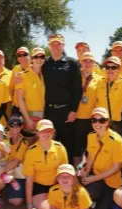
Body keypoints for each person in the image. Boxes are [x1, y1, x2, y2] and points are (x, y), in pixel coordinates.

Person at [79, 107, 122, 209]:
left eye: (102, 120)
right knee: (80, 196)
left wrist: (93, 178)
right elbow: (90, 157)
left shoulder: (117, 140)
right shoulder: (91, 136)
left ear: (107, 122)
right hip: (96, 177)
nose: (97, 123)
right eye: (94, 120)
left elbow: (116, 168)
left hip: (112, 182)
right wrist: (85, 171)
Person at [43, 34, 82, 164]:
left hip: (66, 111)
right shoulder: (44, 63)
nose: (55, 47)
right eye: (52, 44)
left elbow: (78, 89)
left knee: (67, 145)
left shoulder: (72, 63)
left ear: (63, 45)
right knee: (50, 144)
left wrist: (74, 110)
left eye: (58, 44)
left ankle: (68, 173)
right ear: (49, 46)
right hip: (49, 112)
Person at [23, 119, 69, 209]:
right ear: (37, 133)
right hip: (40, 187)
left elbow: (65, 174)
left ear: (53, 132)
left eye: (49, 131)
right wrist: (28, 204)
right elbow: (29, 180)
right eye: (43, 131)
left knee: (67, 208)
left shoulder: (60, 148)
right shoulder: (31, 152)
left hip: (57, 185)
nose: (47, 133)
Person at [0, 116, 29, 209]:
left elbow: (15, 162)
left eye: (18, 125)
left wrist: (0, 171)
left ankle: (4, 187)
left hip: (12, 170)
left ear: (21, 127)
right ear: (8, 126)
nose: (15, 128)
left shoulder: (23, 142)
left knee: (16, 201)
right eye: (12, 125)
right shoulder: (0, 135)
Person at [73, 52, 100, 167]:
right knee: (76, 146)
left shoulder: (100, 79)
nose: (88, 63)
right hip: (76, 117)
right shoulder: (74, 77)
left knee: (91, 147)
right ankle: (76, 171)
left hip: (92, 119)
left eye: (91, 61)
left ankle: (88, 170)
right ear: (80, 62)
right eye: (85, 61)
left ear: (94, 63)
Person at [15, 47, 45, 144]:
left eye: (42, 57)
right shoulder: (23, 75)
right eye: (36, 57)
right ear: (32, 59)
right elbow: (20, 100)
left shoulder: (46, 76)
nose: (39, 59)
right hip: (29, 116)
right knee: (28, 147)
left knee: (40, 147)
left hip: (43, 115)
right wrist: (27, 119)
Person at [96, 56, 122, 137]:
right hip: (102, 122)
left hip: (117, 123)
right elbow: (97, 101)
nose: (110, 70)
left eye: (113, 67)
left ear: (119, 69)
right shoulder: (100, 82)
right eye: (107, 67)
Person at [10, 47, 31, 115]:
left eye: (25, 54)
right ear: (17, 58)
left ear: (29, 56)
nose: (22, 57)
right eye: (19, 55)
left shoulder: (35, 69)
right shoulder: (15, 69)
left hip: (31, 108)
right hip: (17, 108)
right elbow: (11, 88)